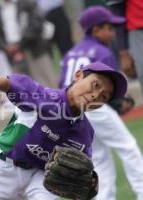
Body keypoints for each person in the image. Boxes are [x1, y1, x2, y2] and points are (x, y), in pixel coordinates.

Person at [0, 61, 127, 200]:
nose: (96, 95)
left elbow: (83, 168)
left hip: (42, 175)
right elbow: (7, 82)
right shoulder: (43, 97)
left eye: (104, 96)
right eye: (95, 85)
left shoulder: (84, 134)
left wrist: (89, 180)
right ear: (78, 76)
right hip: (4, 165)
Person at [59, 6, 143, 200]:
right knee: (127, 146)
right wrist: (119, 104)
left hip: (74, 111)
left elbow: (63, 86)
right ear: (96, 30)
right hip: (95, 107)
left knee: (99, 157)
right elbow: (107, 92)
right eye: (109, 28)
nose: (113, 34)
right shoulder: (102, 52)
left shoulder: (70, 53)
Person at [0, 0, 57, 88]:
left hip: (34, 50)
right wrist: (5, 47)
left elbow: (36, 25)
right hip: (13, 54)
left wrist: (19, 45)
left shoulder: (27, 3)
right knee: (23, 88)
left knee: (47, 83)